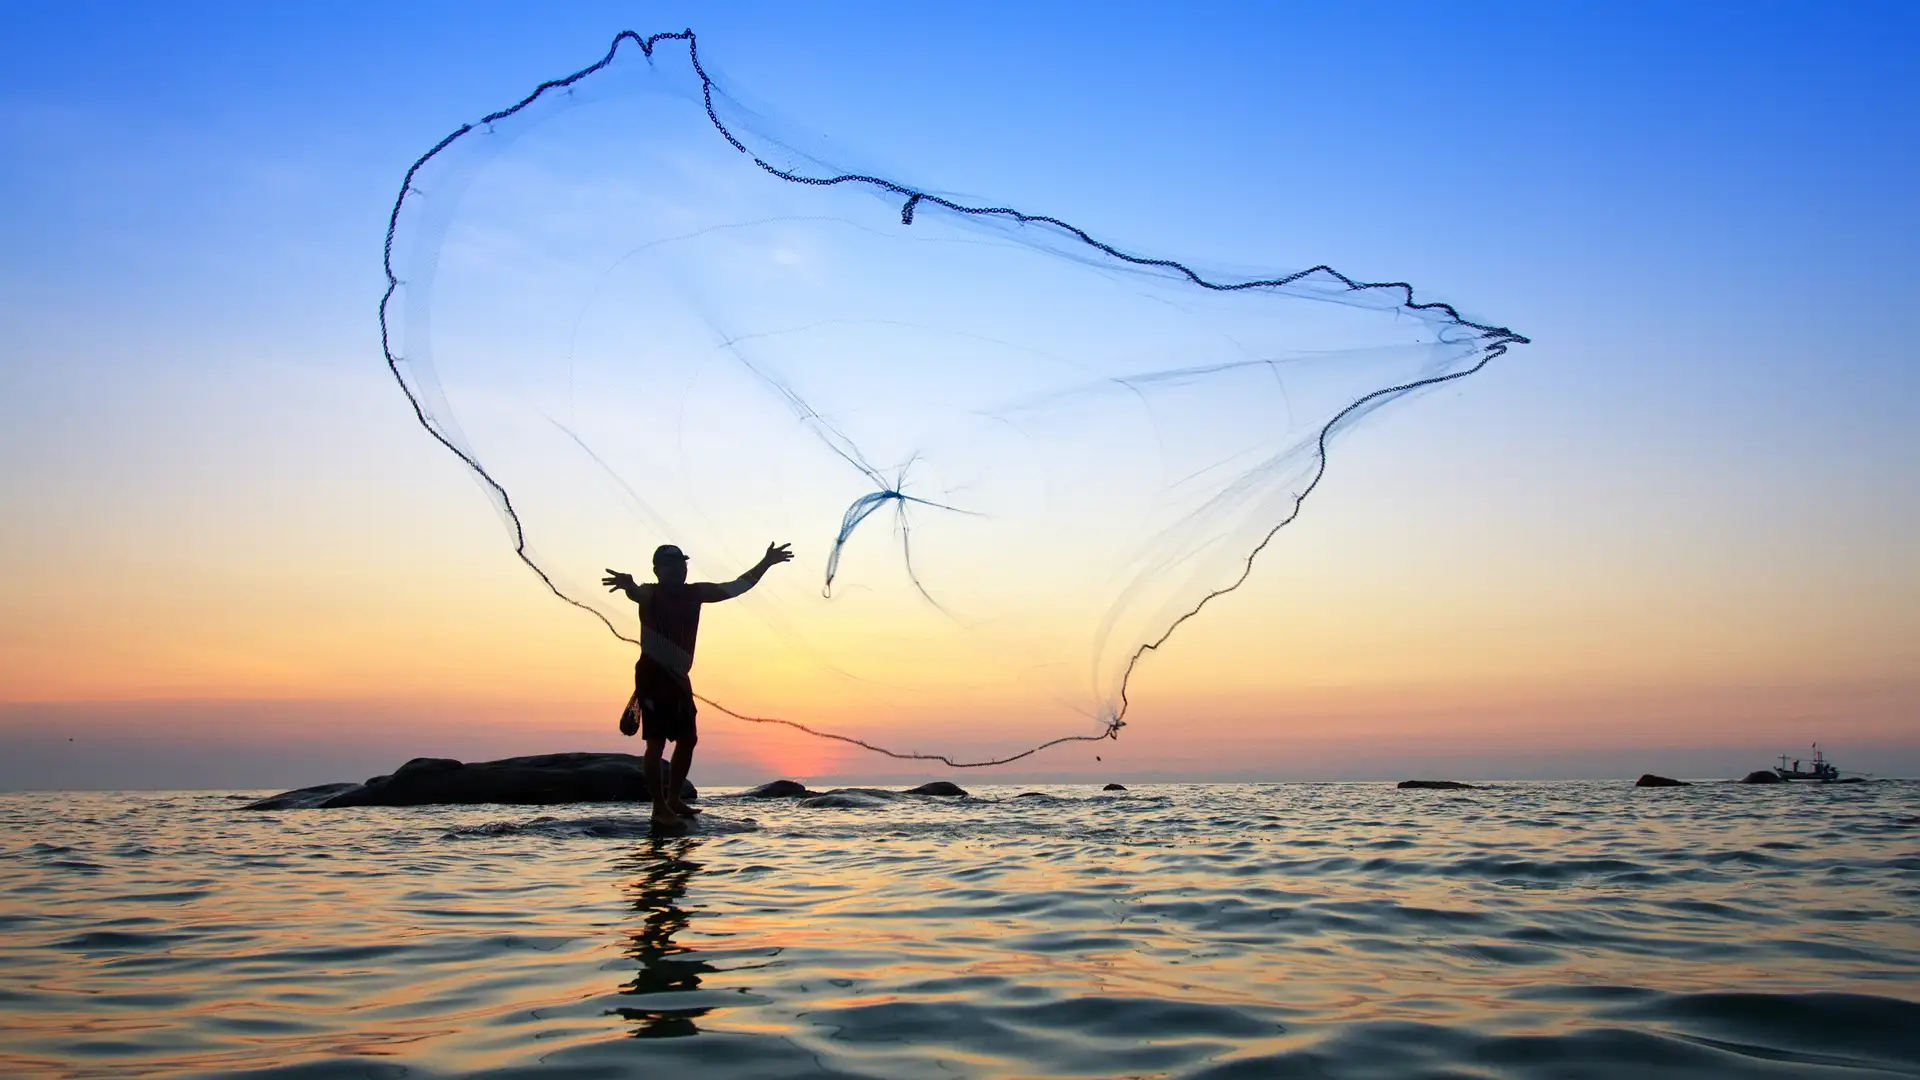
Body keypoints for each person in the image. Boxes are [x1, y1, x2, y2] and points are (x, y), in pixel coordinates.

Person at [603, 542, 793, 825]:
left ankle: (673, 799)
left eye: (682, 565)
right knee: (655, 744)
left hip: (679, 679)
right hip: (653, 676)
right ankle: (659, 809)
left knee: (688, 739)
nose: (679, 570)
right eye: (671, 566)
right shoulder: (650, 593)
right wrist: (629, 585)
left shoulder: (696, 593)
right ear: (658, 571)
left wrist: (765, 562)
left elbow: (735, 587)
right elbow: (636, 593)